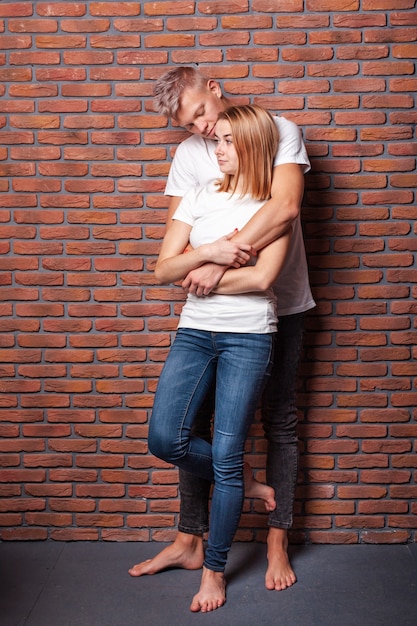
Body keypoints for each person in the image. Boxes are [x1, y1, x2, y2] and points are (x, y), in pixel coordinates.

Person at [129, 66, 315, 593]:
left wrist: (212, 267)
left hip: (279, 302)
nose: (205, 132)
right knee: (195, 425)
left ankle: (277, 539)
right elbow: (177, 245)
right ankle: (191, 537)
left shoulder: (275, 129)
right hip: (210, 314)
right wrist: (206, 259)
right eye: (190, 126)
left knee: (278, 416)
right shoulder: (194, 153)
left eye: (204, 115)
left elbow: (283, 207)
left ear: (214, 88)